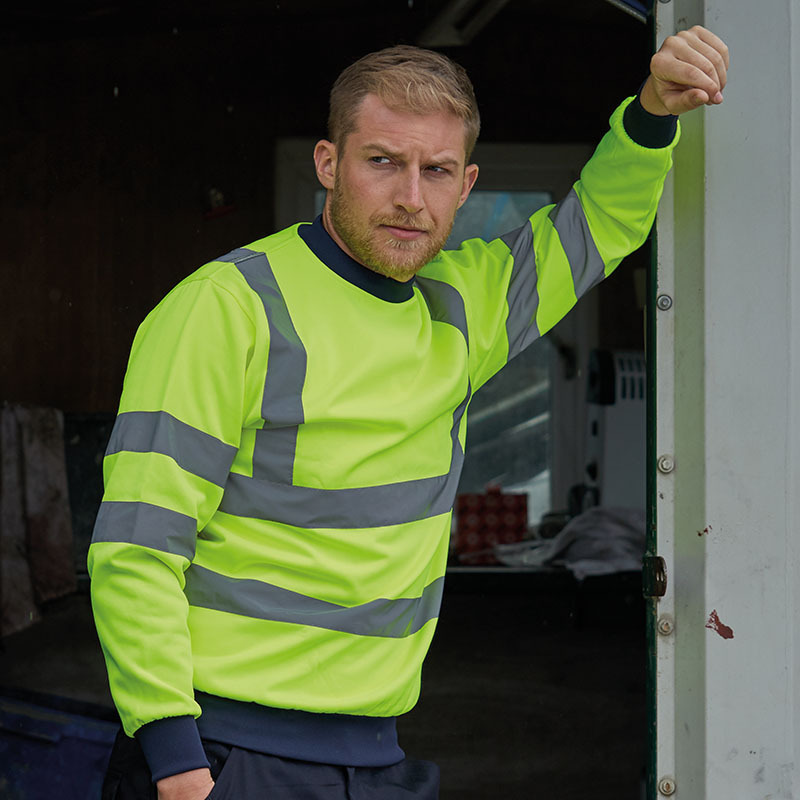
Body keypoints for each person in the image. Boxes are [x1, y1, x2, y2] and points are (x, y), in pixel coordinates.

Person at [89, 25, 729, 800]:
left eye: (437, 171)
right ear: (329, 165)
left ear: (467, 186)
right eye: (383, 162)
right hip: (226, 750)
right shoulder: (226, 309)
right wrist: (173, 753)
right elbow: (136, 545)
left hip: (377, 754)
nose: (410, 197)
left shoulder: (464, 303)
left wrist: (654, 110)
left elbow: (598, 225)